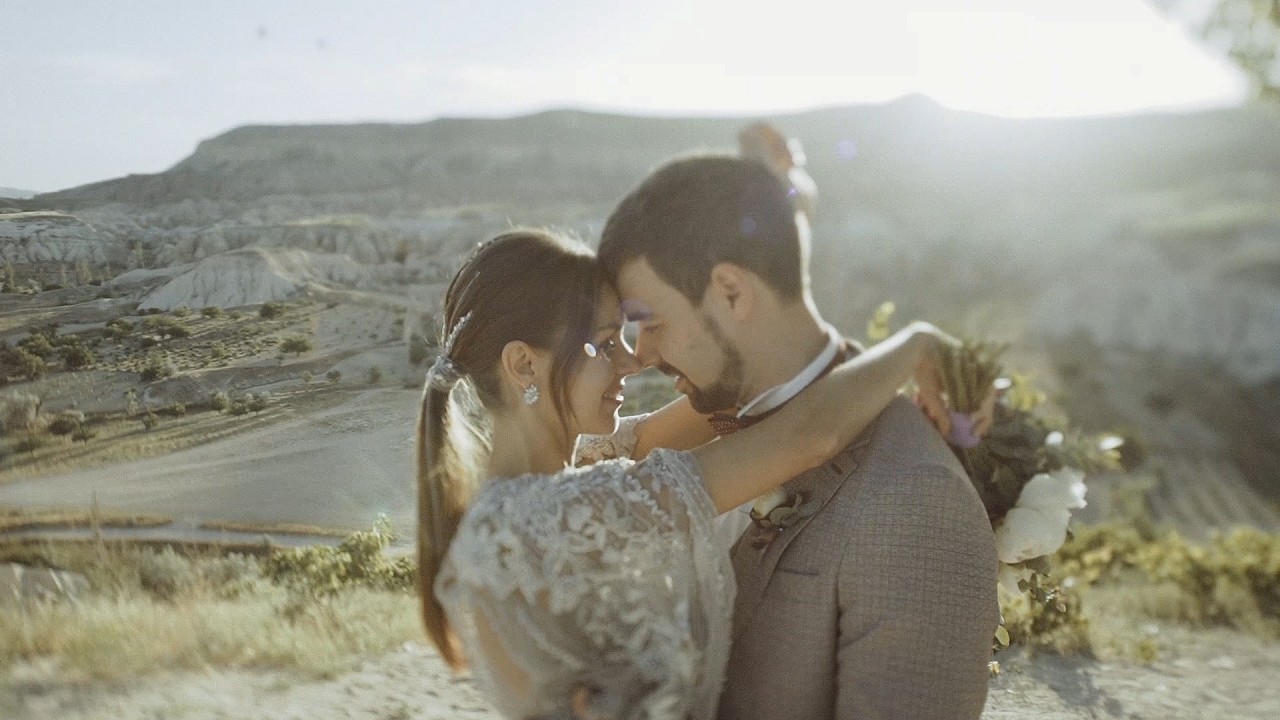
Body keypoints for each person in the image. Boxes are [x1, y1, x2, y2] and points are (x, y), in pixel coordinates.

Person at [418, 229, 962, 720]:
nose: (633, 361)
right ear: (523, 365)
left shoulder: (559, 483)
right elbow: (808, 437)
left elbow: (725, 395)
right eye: (606, 344)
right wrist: (917, 345)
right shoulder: (545, 516)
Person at [598, 155, 1000, 720]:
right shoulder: (684, 437)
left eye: (650, 321)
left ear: (732, 293)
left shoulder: (916, 502)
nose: (640, 354)